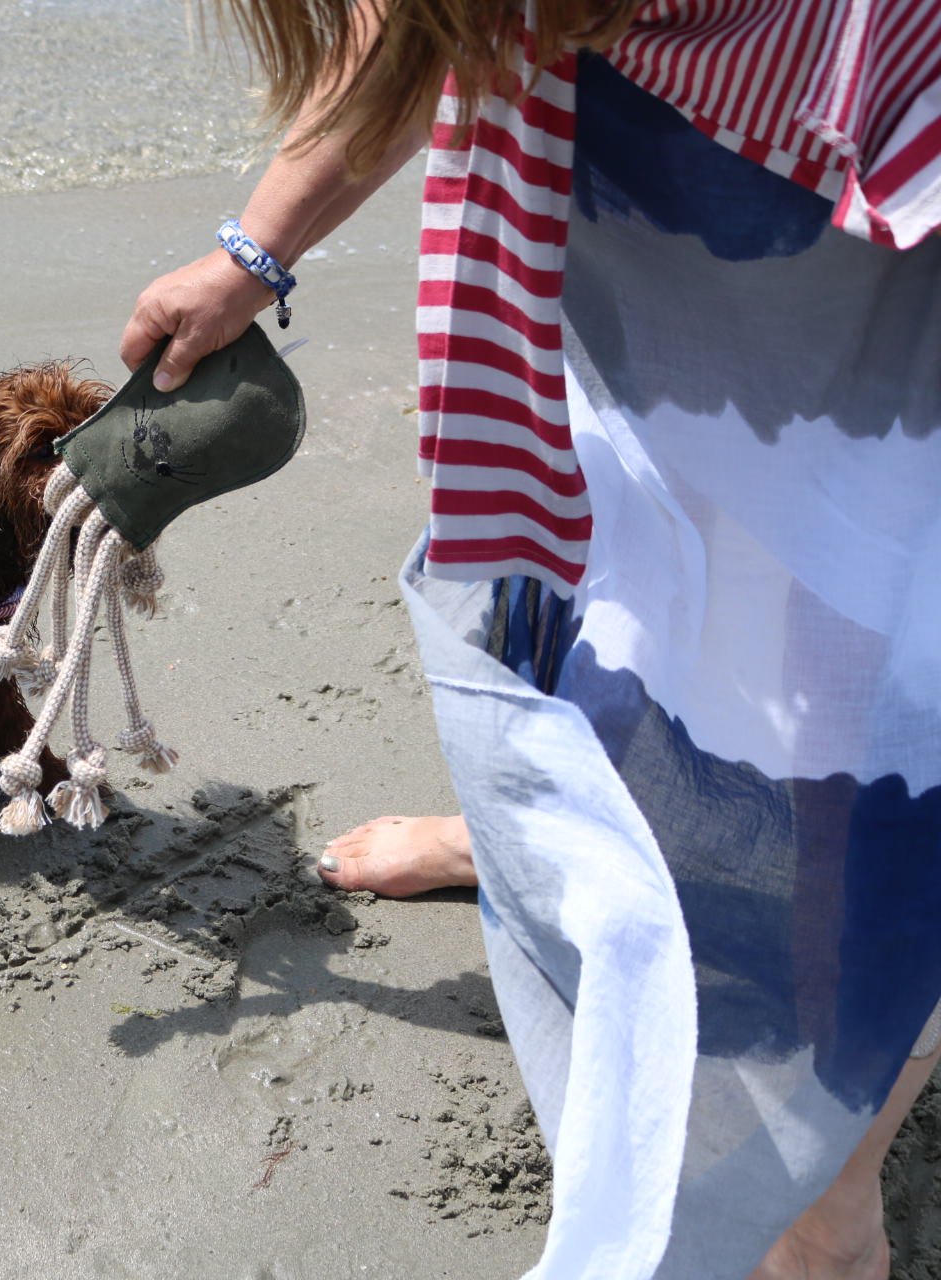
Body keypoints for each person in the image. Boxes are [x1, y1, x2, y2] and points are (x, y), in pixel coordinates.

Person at [122, 3, 941, 1277]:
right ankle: (538, 838)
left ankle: (829, 1189)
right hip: (619, 164)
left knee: (862, 703)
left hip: (876, 225)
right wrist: (256, 250)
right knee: (606, 563)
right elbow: (422, 18)